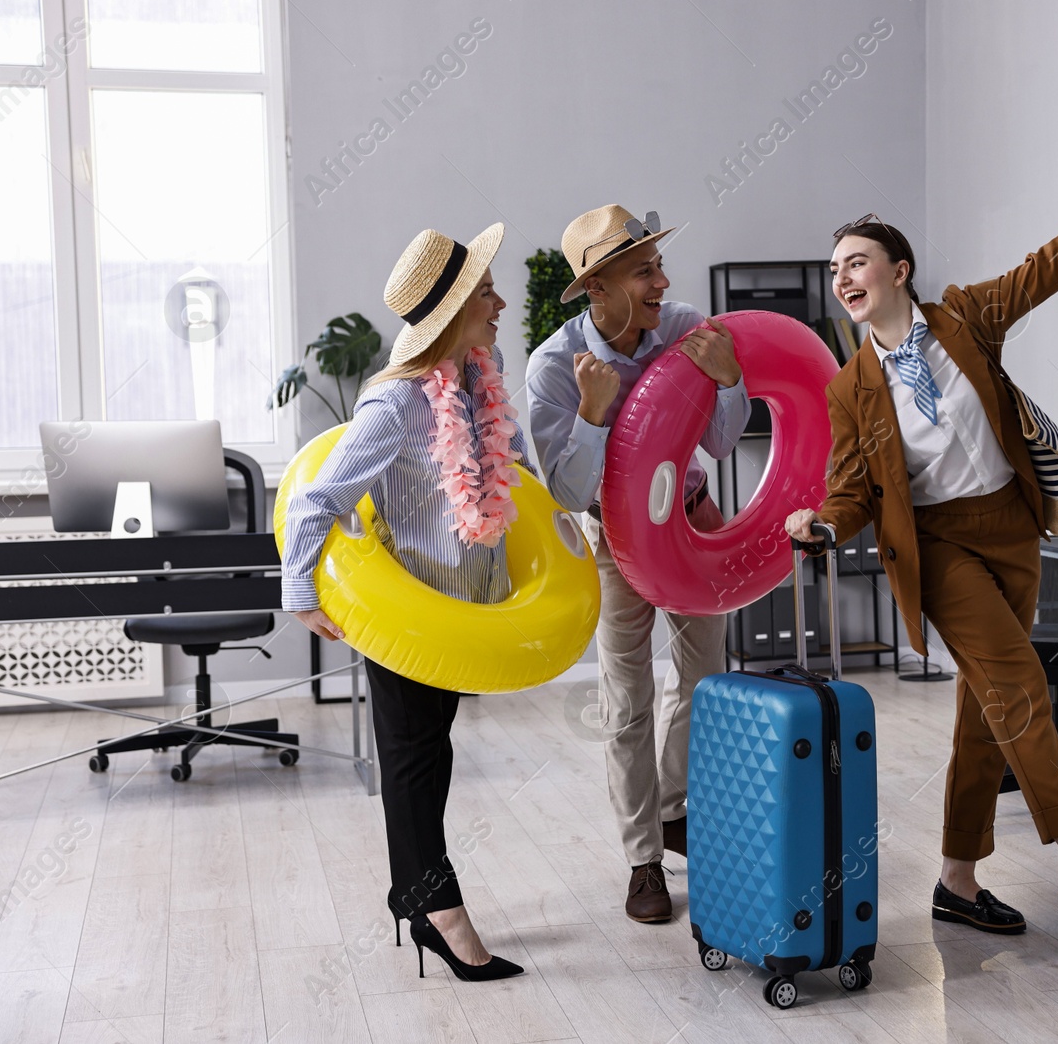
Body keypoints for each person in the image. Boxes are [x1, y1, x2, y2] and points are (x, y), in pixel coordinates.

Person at [787, 110, 1058, 936]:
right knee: (1020, 685)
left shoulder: (968, 318)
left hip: (1013, 529)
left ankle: (957, 879)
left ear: (899, 270)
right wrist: (826, 524)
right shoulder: (850, 386)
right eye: (834, 270)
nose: (842, 278)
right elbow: (851, 488)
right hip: (937, 547)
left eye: (856, 261)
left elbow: (1057, 262)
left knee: (985, 706)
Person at [282, 222, 528, 980]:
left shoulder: (467, 385)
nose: (500, 301)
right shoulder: (396, 405)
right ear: (452, 310)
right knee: (415, 759)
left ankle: (412, 895)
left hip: (456, 609)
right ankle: (439, 909)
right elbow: (314, 498)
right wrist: (300, 590)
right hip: (408, 612)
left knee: (428, 750)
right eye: (485, 291)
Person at [525, 204, 750, 923]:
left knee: (706, 680)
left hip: (693, 520)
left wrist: (728, 380)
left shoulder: (684, 328)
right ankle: (642, 859)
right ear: (598, 288)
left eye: (658, 265)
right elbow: (564, 489)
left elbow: (721, 442)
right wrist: (594, 413)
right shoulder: (556, 366)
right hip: (614, 538)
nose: (664, 280)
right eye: (644, 270)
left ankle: (678, 809)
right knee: (626, 700)